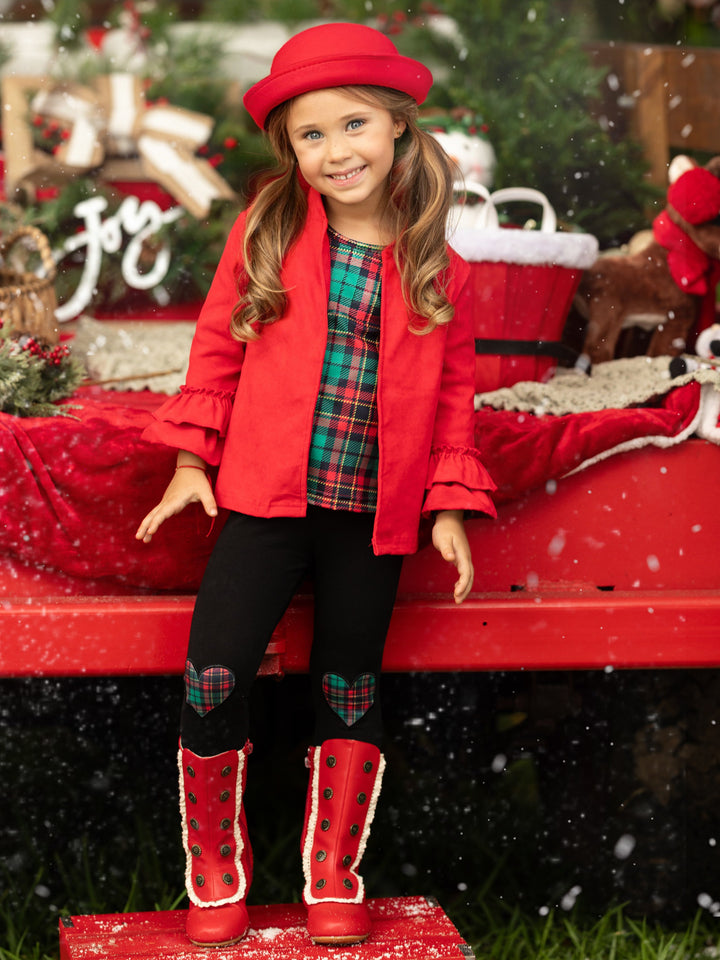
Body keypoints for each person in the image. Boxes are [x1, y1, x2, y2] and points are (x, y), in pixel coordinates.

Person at [136, 21, 496, 949]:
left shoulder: (437, 265)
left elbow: (453, 396)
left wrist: (448, 507)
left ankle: (333, 871)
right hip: (263, 501)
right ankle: (216, 870)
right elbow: (217, 350)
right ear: (290, 148)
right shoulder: (270, 232)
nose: (337, 150)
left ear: (398, 126)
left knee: (348, 685)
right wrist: (190, 463)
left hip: (371, 517)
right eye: (312, 134)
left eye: (354, 124)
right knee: (215, 674)